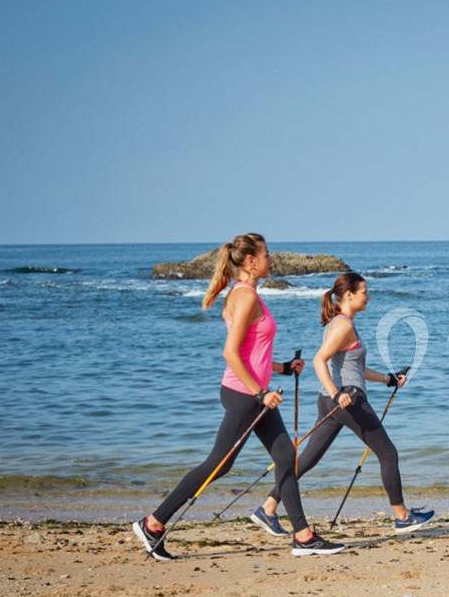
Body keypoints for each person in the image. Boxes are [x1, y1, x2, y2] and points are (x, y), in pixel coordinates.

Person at [131, 233, 345, 559]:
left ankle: (303, 536)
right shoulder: (245, 297)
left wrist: (283, 368)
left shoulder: (246, 295)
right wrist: (260, 393)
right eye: (266, 253)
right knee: (218, 464)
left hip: (252, 393)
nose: (270, 259)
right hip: (246, 395)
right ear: (250, 261)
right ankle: (154, 522)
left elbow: (251, 354)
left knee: (285, 458)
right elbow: (231, 353)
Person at [253, 271, 435, 534]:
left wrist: (388, 379)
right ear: (349, 295)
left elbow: (355, 367)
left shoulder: (339, 322)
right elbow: (319, 360)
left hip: (331, 401)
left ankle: (268, 507)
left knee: (307, 459)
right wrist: (337, 393)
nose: (368, 297)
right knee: (388, 453)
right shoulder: (343, 325)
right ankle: (402, 516)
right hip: (346, 401)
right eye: (364, 292)